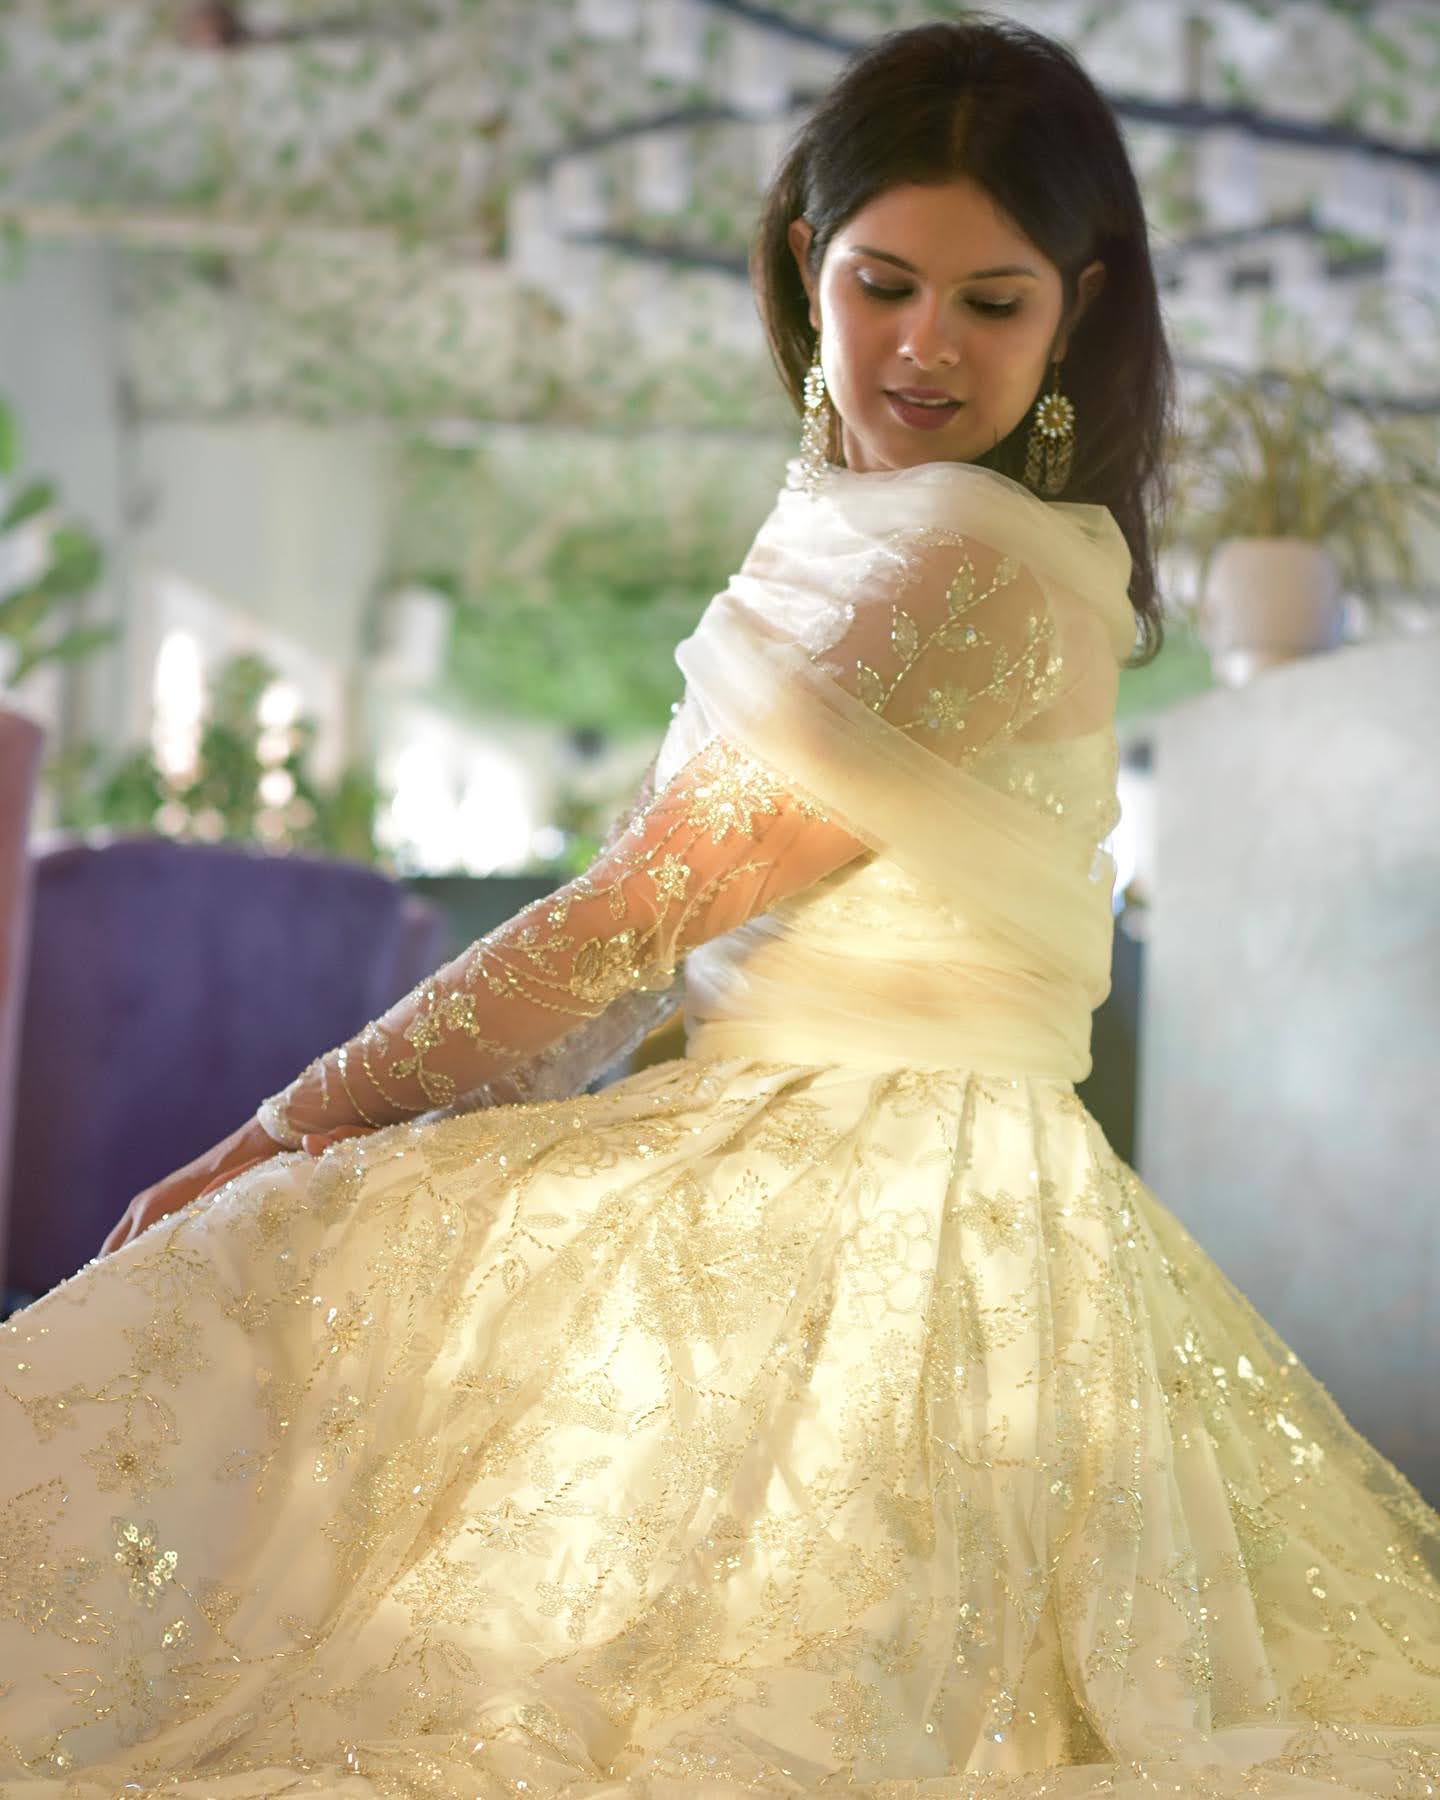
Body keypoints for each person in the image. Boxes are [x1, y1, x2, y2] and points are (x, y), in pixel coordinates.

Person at [2, 16, 1437, 1796]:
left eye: (992, 305)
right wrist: (432, 1128)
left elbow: (628, 918)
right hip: (751, 1110)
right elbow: (642, 944)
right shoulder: (864, 520)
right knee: (328, 1267)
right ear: (801, 266)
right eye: (883, 282)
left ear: (1078, 306)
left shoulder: (974, 567)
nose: (925, 345)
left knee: (297, 1272)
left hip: (898, 1186)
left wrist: (293, 1122)